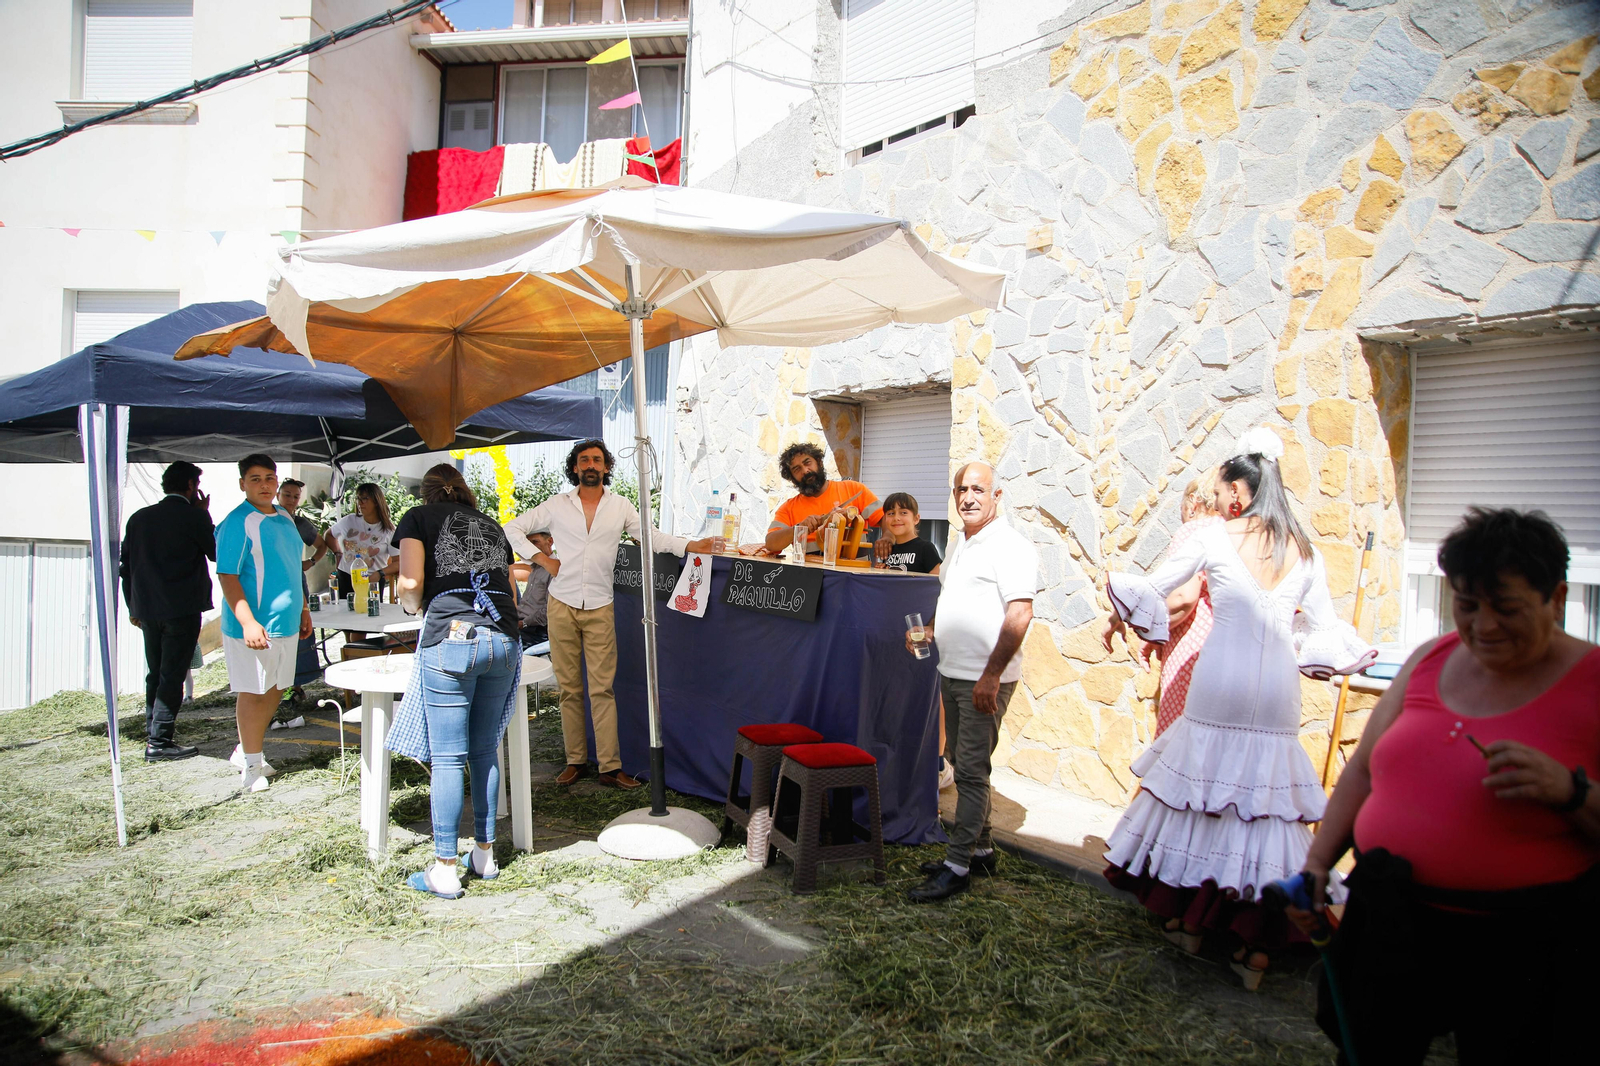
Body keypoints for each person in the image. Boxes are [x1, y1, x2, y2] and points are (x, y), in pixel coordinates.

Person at [1288, 508, 1598, 1062]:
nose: (1482, 626)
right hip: (1395, 915)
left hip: (1525, 940)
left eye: (1506, 608)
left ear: (1557, 597)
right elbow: (1362, 770)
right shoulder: (1432, 658)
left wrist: (1570, 791)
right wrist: (1316, 865)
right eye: (1466, 605)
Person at [1098, 426, 1375, 989]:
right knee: (1263, 810)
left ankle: (1190, 922)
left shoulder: (1218, 536)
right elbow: (1320, 629)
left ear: (1240, 494)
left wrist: (1122, 613)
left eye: (1225, 491)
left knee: (1201, 798)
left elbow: (1159, 589)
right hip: (1277, 691)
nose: (1221, 501)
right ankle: (1255, 950)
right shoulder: (1305, 551)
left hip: (1218, 679)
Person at [504, 439, 715, 788]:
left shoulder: (620, 506)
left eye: (597, 460)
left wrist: (689, 545)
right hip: (561, 604)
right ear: (575, 467)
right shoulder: (557, 505)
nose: (590, 465)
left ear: (606, 468)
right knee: (569, 689)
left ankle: (609, 767)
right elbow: (512, 528)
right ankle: (575, 762)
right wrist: (542, 559)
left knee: (602, 689)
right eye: (584, 460)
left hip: (600, 605)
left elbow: (648, 536)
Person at [387, 464, 523, 900]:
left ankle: (445, 867)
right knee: (486, 748)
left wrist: (411, 608)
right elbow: (514, 595)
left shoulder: (417, 518)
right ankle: (484, 855)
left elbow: (410, 581)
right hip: (504, 639)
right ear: (465, 493)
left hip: (452, 638)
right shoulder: (491, 525)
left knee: (448, 759)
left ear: (427, 494)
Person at [907, 460, 1037, 902]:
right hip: (953, 671)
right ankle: (980, 849)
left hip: (984, 680)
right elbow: (952, 599)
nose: (968, 497)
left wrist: (992, 675)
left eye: (978, 489)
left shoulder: (1011, 546)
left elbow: (1020, 614)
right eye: (961, 489)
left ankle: (957, 866)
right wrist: (928, 628)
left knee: (973, 771)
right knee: (961, 763)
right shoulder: (962, 542)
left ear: (997, 496)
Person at [215, 454, 312, 792]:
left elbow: (291, 567)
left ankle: (245, 750)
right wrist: (247, 622)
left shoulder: (284, 516)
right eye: (254, 479)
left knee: (277, 688)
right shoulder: (237, 522)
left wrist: (303, 610)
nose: (264, 485)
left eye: (269, 478)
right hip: (255, 625)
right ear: (242, 484)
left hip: (286, 621)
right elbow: (227, 576)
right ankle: (251, 769)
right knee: (254, 692)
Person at [119, 461, 215, 762]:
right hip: (182, 608)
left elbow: (125, 568)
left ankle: (154, 731)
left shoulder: (139, 518)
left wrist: (132, 606)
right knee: (173, 675)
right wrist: (204, 514)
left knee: (156, 673)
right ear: (191, 486)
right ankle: (159, 741)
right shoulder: (193, 517)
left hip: (147, 608)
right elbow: (216, 552)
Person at [1149, 477, 1222, 737]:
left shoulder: (1194, 530)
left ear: (1193, 503)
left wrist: (1150, 626)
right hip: (1224, 650)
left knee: (1176, 742)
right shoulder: (1239, 534)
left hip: (1191, 649)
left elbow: (1183, 597)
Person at [762, 442, 883, 556]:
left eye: (807, 463)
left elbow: (887, 519)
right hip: (813, 576)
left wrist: (887, 537)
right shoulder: (788, 508)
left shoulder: (854, 489)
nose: (805, 471)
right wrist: (798, 528)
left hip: (856, 574)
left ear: (819, 462)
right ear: (792, 478)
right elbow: (771, 544)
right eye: (797, 469)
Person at [276, 478, 327, 707]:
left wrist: (311, 562)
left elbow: (322, 544)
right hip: (269, 583)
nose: (291, 500)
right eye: (287, 495)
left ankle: (294, 688)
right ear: (278, 494)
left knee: (298, 632)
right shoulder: (265, 519)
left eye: (296, 496)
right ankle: (275, 687)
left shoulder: (300, 523)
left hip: (295, 581)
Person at [326, 482, 398, 600]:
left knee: (369, 614)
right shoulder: (349, 520)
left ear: (376, 501)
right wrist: (337, 552)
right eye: (358, 498)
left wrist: (380, 573)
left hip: (371, 580)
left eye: (365, 499)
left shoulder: (389, 530)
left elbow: (398, 562)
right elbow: (328, 535)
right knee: (342, 614)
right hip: (345, 576)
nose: (360, 503)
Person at [872, 492, 942, 574]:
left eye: (903, 513)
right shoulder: (889, 549)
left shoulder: (926, 548)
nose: (896, 518)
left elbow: (937, 581)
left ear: (916, 519)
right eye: (891, 513)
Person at [510, 530, 554, 649]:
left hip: (536, 631)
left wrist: (523, 623)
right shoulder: (536, 568)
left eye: (535, 542)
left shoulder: (554, 570)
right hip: (523, 625)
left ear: (550, 541)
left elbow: (550, 609)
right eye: (528, 544)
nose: (531, 547)